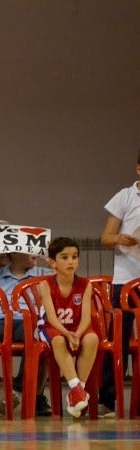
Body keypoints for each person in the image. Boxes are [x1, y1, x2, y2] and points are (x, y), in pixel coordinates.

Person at [0, 239, 52, 417]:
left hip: (26, 320)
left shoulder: (43, 274)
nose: (34, 252)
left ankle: (19, 391)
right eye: (29, 249)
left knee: (37, 335)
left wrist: (54, 264)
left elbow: (65, 287)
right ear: (14, 253)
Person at [97, 148, 140, 418]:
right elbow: (105, 237)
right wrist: (120, 239)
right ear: (138, 169)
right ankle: (108, 399)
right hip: (126, 278)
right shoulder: (125, 196)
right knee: (118, 340)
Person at [38, 238, 98, 418]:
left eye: (74, 257)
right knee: (57, 340)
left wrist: (78, 334)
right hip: (53, 327)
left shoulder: (85, 284)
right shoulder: (45, 285)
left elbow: (86, 317)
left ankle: (78, 391)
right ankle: (76, 388)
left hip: (76, 327)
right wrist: (66, 333)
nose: (71, 261)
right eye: (64, 257)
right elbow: (51, 317)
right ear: (53, 263)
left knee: (92, 338)